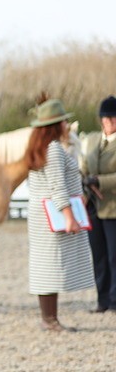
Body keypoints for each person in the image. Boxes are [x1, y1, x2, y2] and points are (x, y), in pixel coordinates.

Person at [24, 99, 94, 331]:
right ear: (56, 125)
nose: (66, 124)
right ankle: (49, 319)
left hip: (40, 213)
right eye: (64, 120)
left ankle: (49, 317)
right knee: (49, 265)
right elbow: (58, 186)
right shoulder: (53, 149)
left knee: (45, 265)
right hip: (52, 213)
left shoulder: (38, 146)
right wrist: (69, 216)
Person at [80, 96, 116, 313]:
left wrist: (99, 181)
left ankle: (115, 300)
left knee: (115, 256)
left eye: (113, 118)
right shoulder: (92, 141)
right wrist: (85, 178)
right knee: (99, 255)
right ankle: (102, 299)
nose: (109, 123)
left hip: (113, 209)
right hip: (94, 207)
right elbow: (83, 165)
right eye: (106, 119)